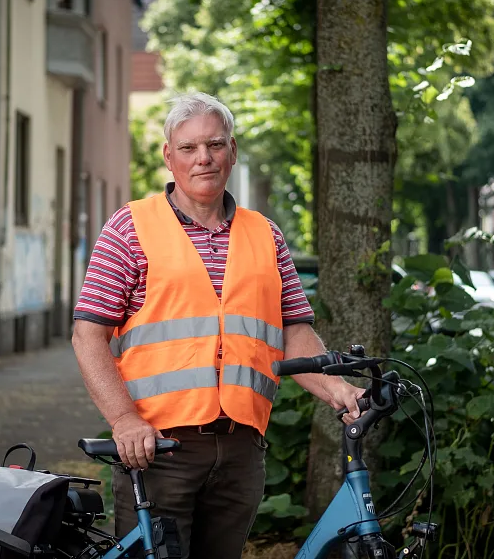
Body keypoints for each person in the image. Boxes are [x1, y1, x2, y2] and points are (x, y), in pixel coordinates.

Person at [71, 92, 366, 559]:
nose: (203, 158)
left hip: (241, 450)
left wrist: (339, 390)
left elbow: (293, 332)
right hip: (158, 448)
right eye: (188, 148)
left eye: (214, 144)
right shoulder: (130, 227)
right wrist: (123, 420)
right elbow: (88, 335)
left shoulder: (266, 234)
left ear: (232, 150)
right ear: (169, 156)